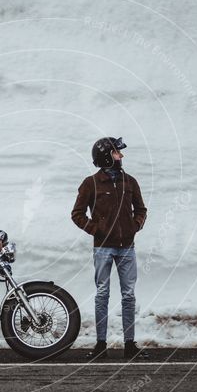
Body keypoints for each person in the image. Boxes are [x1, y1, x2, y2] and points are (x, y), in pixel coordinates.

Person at [71, 137, 149, 360]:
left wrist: (134, 226)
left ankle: (130, 345)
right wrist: (96, 230)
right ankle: (101, 345)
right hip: (103, 248)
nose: (121, 156)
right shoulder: (90, 183)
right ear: (106, 157)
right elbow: (77, 214)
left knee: (128, 296)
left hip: (127, 248)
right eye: (116, 153)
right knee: (102, 295)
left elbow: (141, 209)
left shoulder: (131, 182)